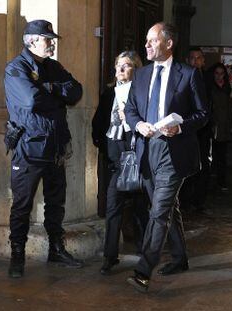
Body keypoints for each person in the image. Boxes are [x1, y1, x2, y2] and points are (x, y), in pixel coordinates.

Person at [124, 22, 208, 292]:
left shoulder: (189, 74)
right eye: (146, 41)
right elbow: (130, 110)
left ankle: (143, 271)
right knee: (168, 207)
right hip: (148, 150)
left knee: (158, 213)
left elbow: (203, 113)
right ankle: (180, 257)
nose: (146, 46)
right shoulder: (140, 75)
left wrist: (180, 126)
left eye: (152, 41)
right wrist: (139, 125)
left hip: (175, 151)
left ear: (169, 43)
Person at [4, 20, 83, 278]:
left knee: (55, 202)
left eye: (52, 39)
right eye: (47, 39)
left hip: (56, 145)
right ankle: (17, 256)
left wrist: (50, 87)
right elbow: (30, 99)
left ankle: (56, 249)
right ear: (32, 41)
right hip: (30, 147)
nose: (52, 43)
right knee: (22, 204)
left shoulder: (53, 67)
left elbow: (75, 91)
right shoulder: (16, 68)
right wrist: (54, 96)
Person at [92, 51, 149, 275]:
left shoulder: (142, 93)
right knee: (113, 207)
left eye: (126, 66)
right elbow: (99, 121)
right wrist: (102, 144)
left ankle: (146, 253)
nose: (120, 70)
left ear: (136, 69)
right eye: (118, 66)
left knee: (139, 208)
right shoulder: (109, 93)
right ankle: (109, 256)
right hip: (115, 161)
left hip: (135, 158)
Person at [179, 47, 210, 210]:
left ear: (203, 61)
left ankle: (198, 199)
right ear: (187, 60)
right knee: (186, 163)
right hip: (187, 127)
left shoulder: (208, 79)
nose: (195, 61)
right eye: (192, 58)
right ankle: (184, 199)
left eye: (199, 58)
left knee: (203, 163)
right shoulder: (182, 77)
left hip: (204, 129)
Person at [207, 63, 232, 191]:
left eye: (221, 73)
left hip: (224, 127)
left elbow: (228, 108)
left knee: (222, 156)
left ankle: (221, 181)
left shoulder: (227, 87)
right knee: (212, 156)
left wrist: (229, 124)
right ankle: (210, 181)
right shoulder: (210, 88)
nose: (219, 76)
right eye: (216, 73)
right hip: (213, 127)